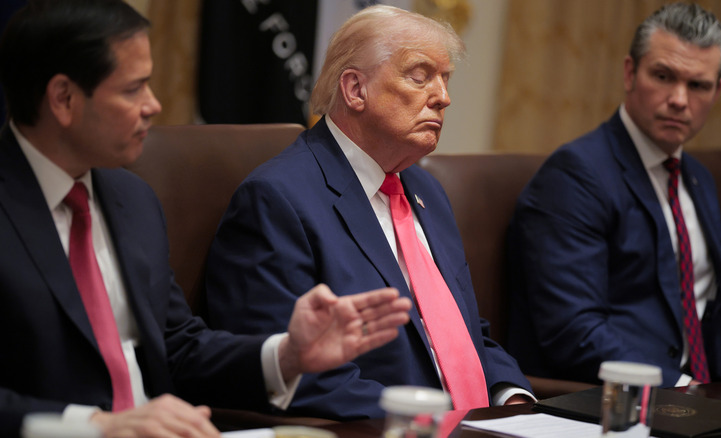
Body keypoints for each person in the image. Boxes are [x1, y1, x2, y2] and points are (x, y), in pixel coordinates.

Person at [0, 1, 412, 437]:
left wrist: (288, 355)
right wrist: (97, 427)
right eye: (134, 89)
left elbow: (178, 349)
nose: (154, 105)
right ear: (64, 99)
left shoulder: (131, 198)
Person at [204, 5, 534, 421]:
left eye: (445, 79)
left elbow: (462, 331)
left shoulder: (426, 189)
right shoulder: (277, 200)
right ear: (355, 89)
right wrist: (438, 422)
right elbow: (295, 372)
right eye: (420, 76)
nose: (443, 97)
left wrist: (511, 399)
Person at [507, 2, 721, 387]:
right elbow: (574, 331)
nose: (679, 99)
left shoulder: (699, 178)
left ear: (717, 91)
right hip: (614, 400)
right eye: (663, 75)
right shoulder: (575, 175)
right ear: (629, 73)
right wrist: (677, 387)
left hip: (702, 396)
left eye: (697, 85)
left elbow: (709, 307)